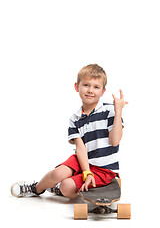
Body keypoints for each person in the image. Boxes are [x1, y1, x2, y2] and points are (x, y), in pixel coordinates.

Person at [11, 64, 128, 199]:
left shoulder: (110, 111)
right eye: (86, 85)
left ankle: (62, 188)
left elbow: (115, 141)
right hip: (83, 161)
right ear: (76, 87)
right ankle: (37, 188)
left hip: (104, 169)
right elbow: (80, 148)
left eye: (96, 87)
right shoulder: (75, 119)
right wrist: (87, 172)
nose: (90, 90)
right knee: (57, 174)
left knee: (66, 187)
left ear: (102, 92)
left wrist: (118, 112)